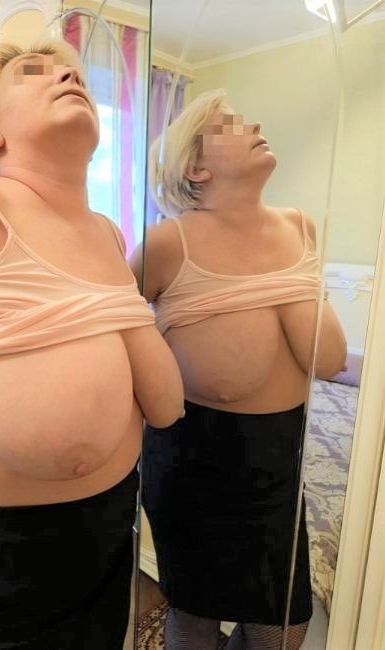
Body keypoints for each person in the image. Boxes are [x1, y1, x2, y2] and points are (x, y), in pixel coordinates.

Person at [0, 40, 184, 649]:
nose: (66, 75)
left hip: (109, 539)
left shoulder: (108, 234)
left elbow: (160, 403)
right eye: (35, 71)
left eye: (75, 73)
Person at [130, 89, 346, 650]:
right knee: (196, 620)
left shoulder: (300, 227)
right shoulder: (167, 244)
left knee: (284, 628)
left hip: (280, 462)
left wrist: (284, 281)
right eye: (229, 124)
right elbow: (111, 336)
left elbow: (329, 360)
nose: (252, 124)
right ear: (195, 167)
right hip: (195, 464)